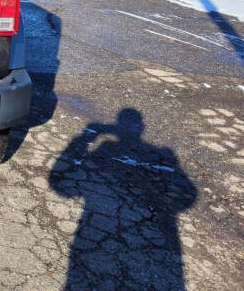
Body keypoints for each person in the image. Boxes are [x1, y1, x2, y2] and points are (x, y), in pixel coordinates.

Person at [49, 108, 197, 290]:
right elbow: (188, 196)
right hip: (147, 240)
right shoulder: (159, 153)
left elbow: (61, 188)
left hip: (94, 231)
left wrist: (83, 139)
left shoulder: (108, 148)